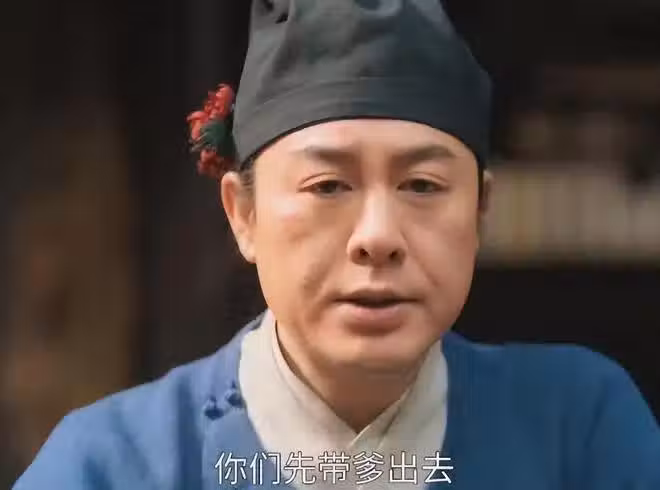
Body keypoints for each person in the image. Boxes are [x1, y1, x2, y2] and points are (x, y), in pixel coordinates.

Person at [14, 0, 660, 488]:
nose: (378, 236)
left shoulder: (578, 429)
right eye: (328, 186)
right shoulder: (112, 464)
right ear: (243, 215)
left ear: (479, 210)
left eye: (422, 185)